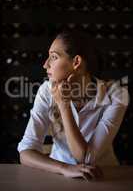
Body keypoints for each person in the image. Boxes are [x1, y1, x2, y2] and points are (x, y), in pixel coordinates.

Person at [17, 29, 129, 180]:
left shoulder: (117, 95)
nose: (45, 64)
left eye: (53, 57)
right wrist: (64, 168)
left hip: (104, 176)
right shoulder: (46, 90)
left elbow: (86, 159)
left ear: (76, 62)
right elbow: (26, 152)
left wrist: (64, 105)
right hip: (57, 176)